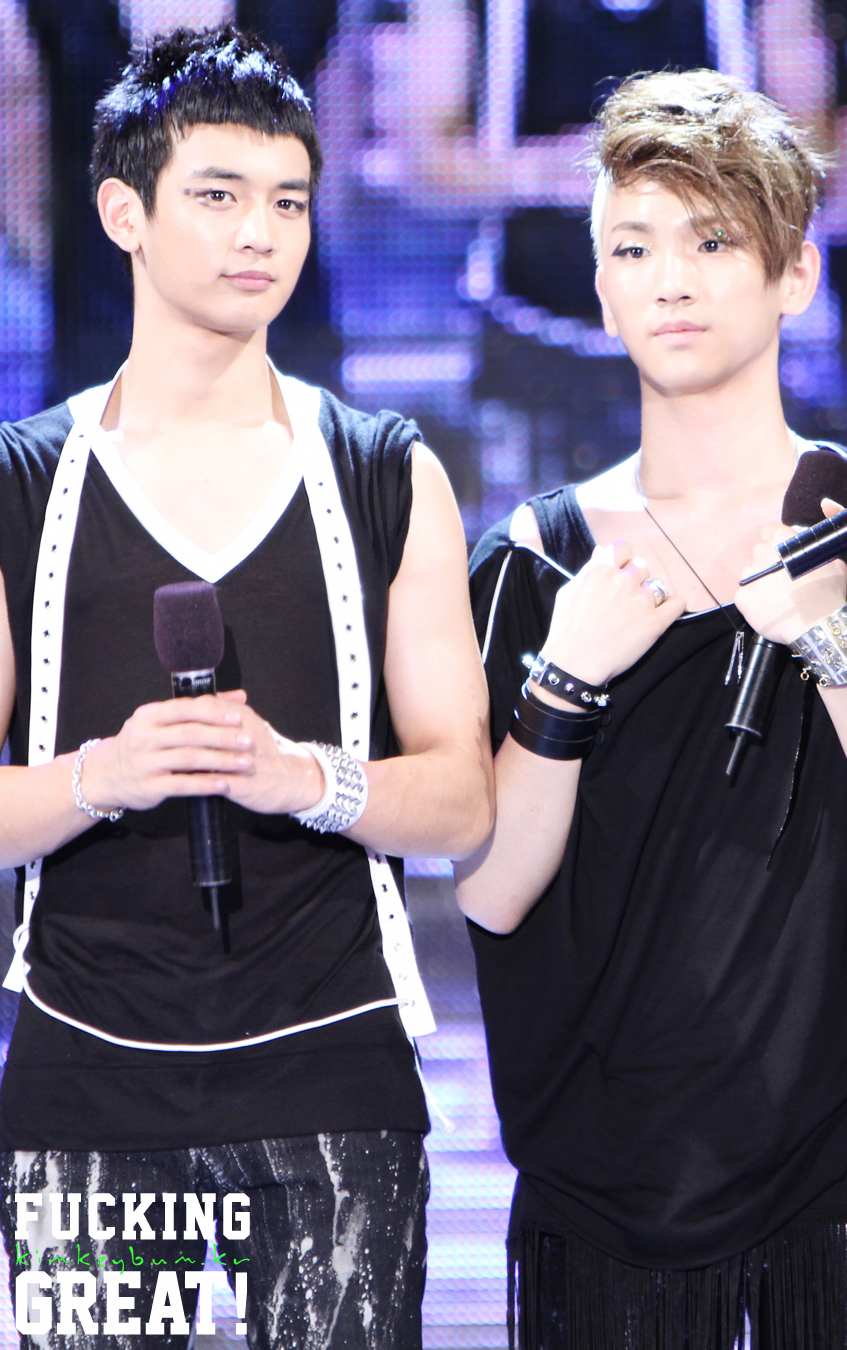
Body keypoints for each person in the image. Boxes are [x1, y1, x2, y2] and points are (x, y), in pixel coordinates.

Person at [0, 25, 493, 1350]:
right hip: (87, 1067)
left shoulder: (386, 470)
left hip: (332, 1062)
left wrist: (305, 778)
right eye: (218, 195)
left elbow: (462, 799)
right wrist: (101, 775)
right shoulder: (24, 485)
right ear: (125, 213)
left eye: (288, 200)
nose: (260, 233)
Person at [457, 69, 847, 1349]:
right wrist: (564, 681)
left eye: (713, 243)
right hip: (607, 1182)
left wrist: (830, 632)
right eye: (635, 248)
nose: (672, 281)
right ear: (600, 288)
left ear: (794, 273)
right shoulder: (534, 563)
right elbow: (491, 892)